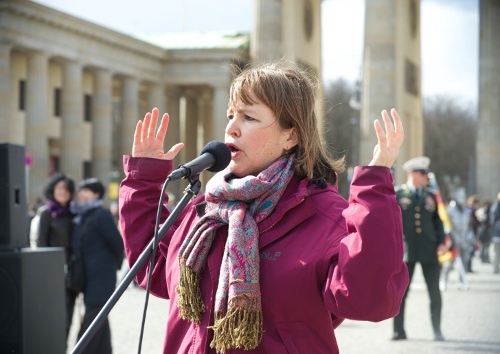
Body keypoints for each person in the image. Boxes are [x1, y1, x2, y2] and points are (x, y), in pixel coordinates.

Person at [119, 60, 409, 354]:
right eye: (230, 115)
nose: (231, 128)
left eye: (248, 118)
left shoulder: (325, 215)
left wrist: (374, 190)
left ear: (291, 136)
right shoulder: (203, 211)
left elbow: (368, 300)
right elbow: (150, 266)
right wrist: (144, 179)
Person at [392, 156, 446, 341]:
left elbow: (438, 222)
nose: (425, 177)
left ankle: (437, 330)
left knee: (434, 293)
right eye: (423, 173)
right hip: (406, 251)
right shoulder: (398, 194)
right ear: (412, 173)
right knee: (400, 294)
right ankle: (398, 331)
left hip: (430, 250)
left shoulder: (430, 196)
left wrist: (441, 242)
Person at [72, 178, 124, 353]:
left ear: (96, 194)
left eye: (86, 190)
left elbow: (117, 243)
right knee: (99, 318)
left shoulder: (101, 214)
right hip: (89, 276)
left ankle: (80, 350)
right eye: (81, 190)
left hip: (101, 276)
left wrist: (112, 267)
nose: (81, 193)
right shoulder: (82, 214)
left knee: (93, 317)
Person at [32, 173, 77, 341]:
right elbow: (40, 242)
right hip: (54, 272)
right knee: (56, 316)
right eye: (59, 188)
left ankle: (64, 346)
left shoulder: (74, 212)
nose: (63, 191)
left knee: (69, 317)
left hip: (73, 272)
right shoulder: (46, 213)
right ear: (53, 190)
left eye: (66, 188)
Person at [442, 189, 472, 291]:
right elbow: (446, 225)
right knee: (448, 263)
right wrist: (449, 238)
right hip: (453, 241)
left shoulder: (466, 212)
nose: (462, 199)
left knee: (463, 262)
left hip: (464, 241)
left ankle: (460, 282)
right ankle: (443, 281)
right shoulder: (449, 210)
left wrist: (469, 238)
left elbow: (469, 226)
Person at [492, 192, 500, 274]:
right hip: (497, 235)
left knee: (497, 253)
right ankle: (496, 268)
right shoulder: (496, 207)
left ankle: (496, 268)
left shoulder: (495, 207)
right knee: (497, 253)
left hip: (496, 235)